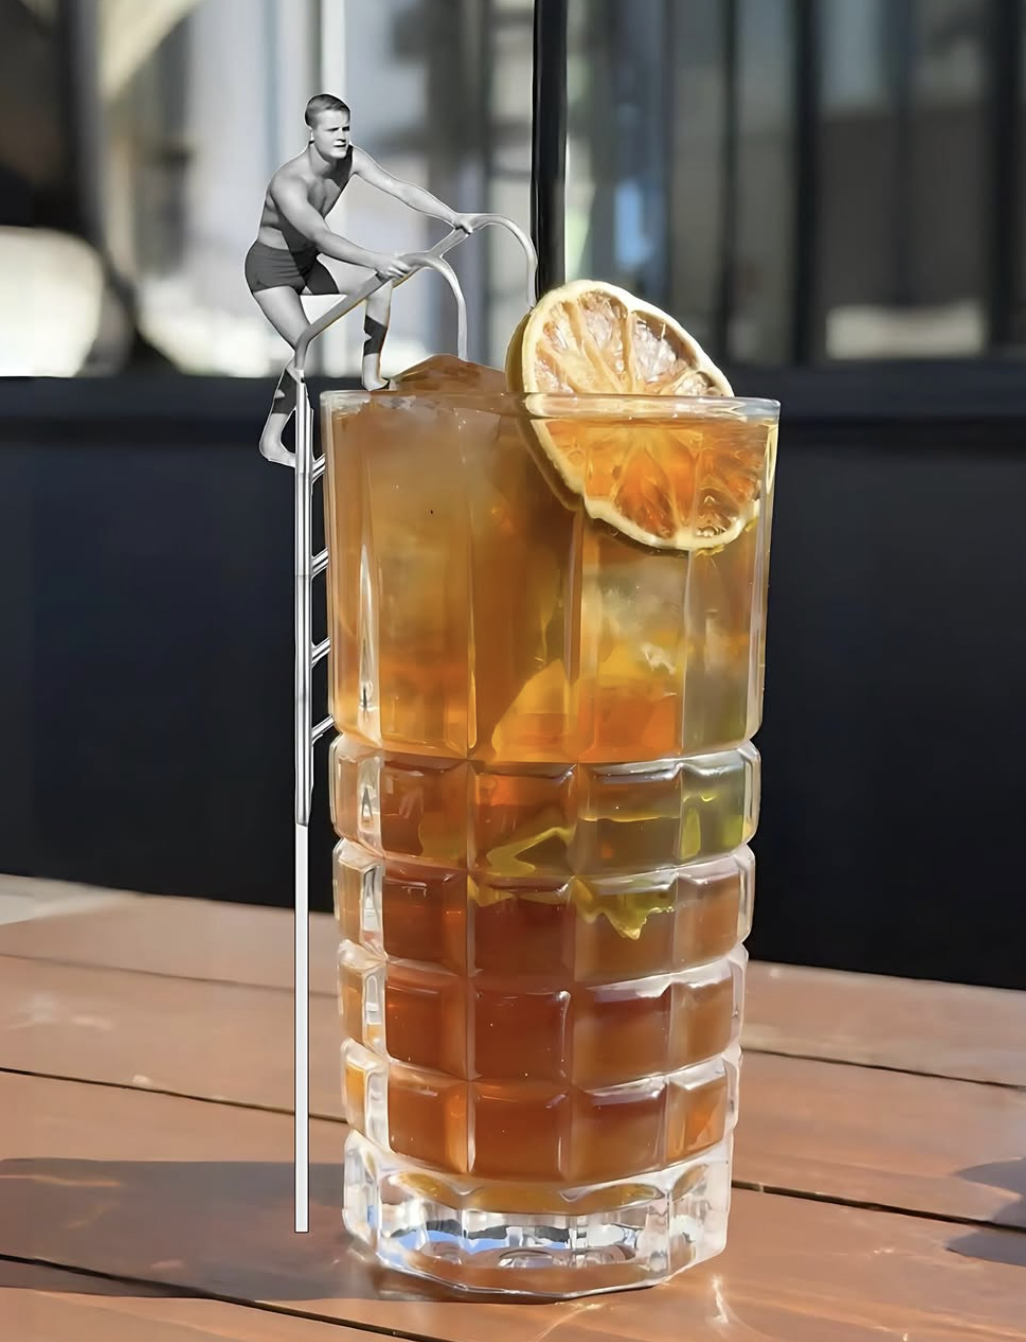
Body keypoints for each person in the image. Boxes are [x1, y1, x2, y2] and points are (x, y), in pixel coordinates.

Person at [245, 93, 475, 462]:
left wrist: (453, 216)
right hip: (270, 270)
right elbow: (322, 235)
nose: (341, 137)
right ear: (312, 134)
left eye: (346, 128)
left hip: (307, 262)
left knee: (377, 284)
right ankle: (271, 439)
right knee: (306, 345)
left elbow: (400, 189)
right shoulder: (289, 183)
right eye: (332, 129)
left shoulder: (352, 159)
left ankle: (371, 375)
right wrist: (376, 257)